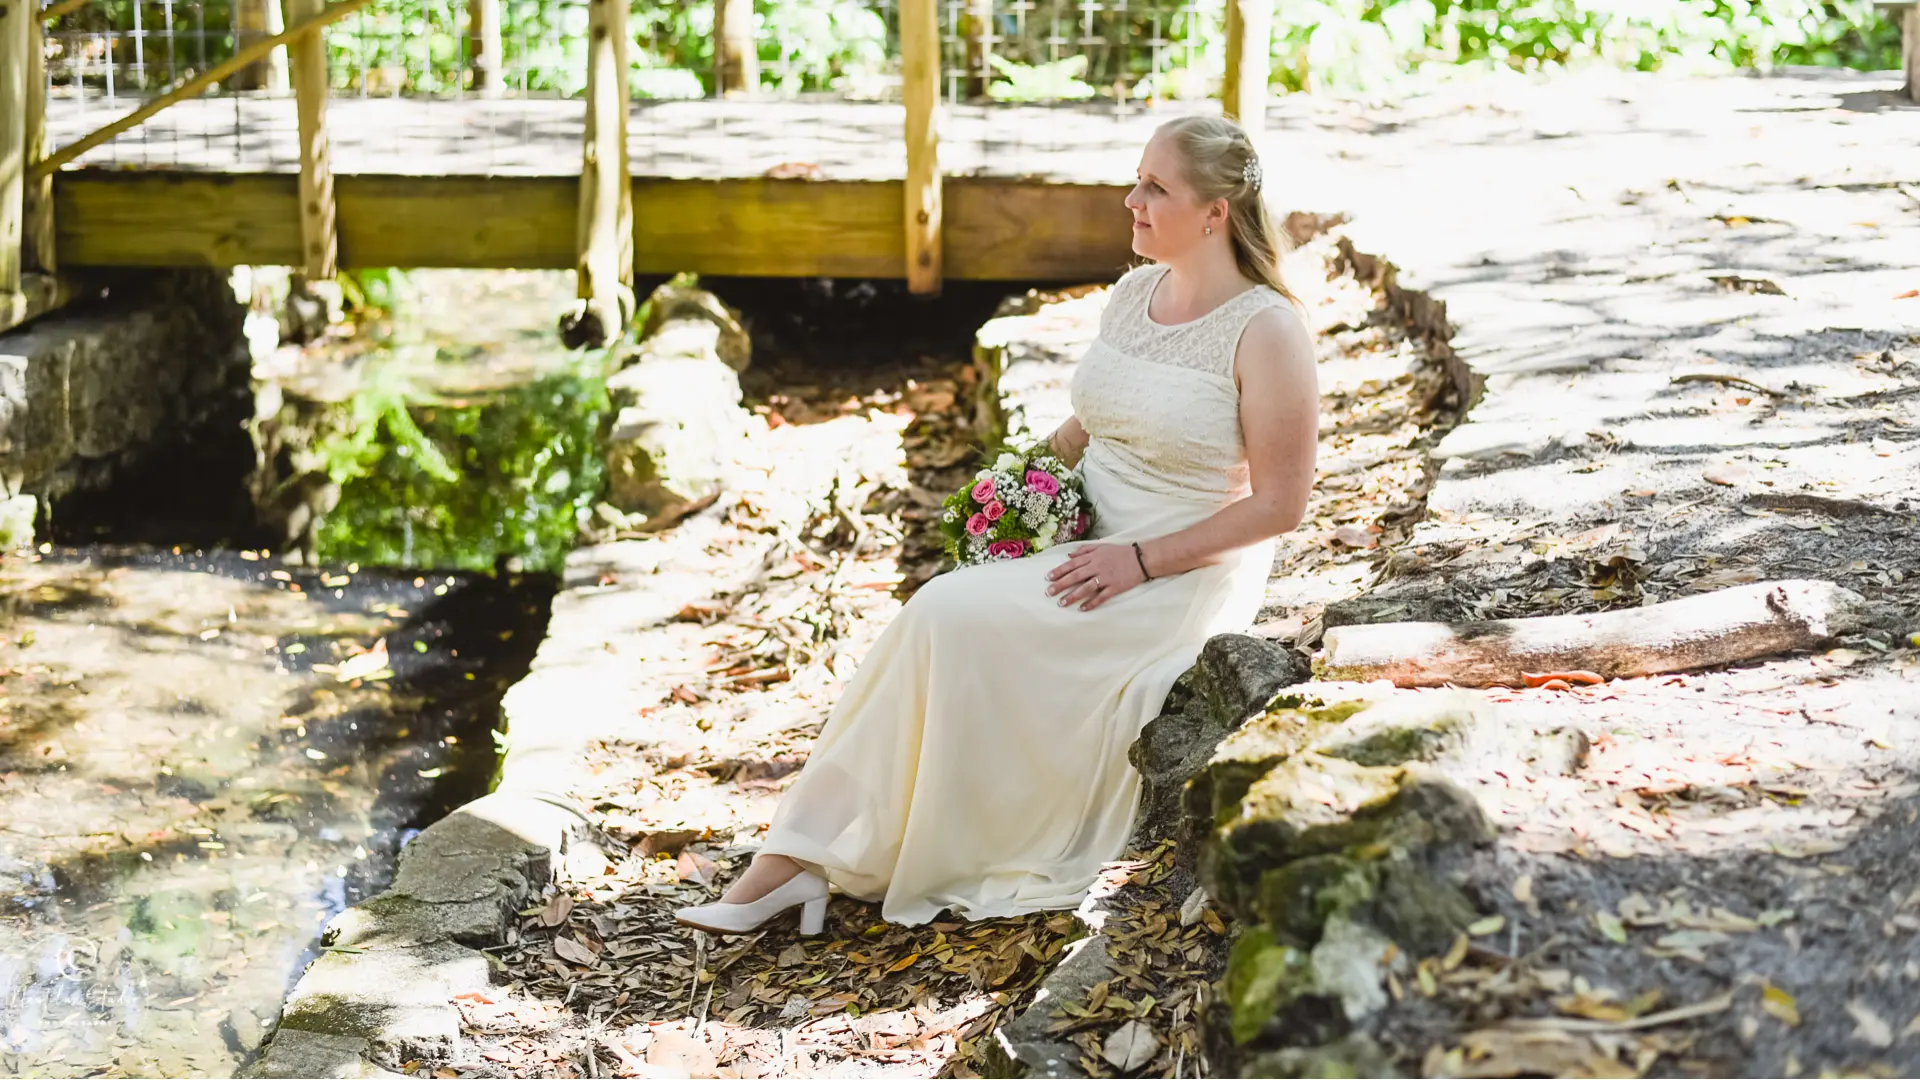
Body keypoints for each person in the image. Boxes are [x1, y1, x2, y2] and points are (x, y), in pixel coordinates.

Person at [675, 114, 1320, 936]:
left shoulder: (1267, 330)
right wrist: (1013, 490)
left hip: (1174, 574)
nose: (1132, 201)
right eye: (1137, 180)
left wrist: (1142, 562)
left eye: (1156, 187)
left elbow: (1281, 505)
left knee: (943, 612)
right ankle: (796, 860)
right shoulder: (1131, 295)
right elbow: (1090, 424)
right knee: (942, 612)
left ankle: (794, 866)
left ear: (1215, 212)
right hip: (1085, 537)